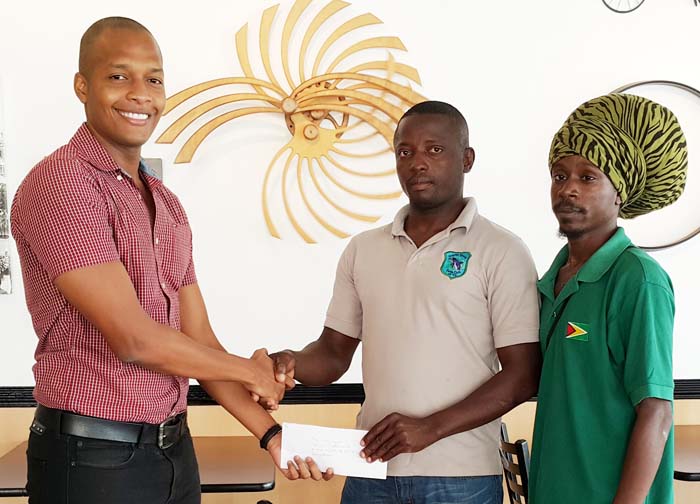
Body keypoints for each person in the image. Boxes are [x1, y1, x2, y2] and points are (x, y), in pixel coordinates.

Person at [10, 17, 329, 504]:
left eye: (153, 79)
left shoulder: (165, 202)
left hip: (173, 453)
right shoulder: (63, 184)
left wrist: (271, 435)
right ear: (82, 86)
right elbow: (136, 340)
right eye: (119, 76)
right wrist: (251, 371)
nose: (140, 94)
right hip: (92, 457)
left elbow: (197, 340)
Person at [270, 100, 542, 503]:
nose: (417, 162)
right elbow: (331, 355)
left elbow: (523, 374)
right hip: (370, 468)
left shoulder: (502, 250)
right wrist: (289, 361)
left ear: (466, 159)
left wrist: (429, 427)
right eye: (405, 151)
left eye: (435, 149)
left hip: (460, 478)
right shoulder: (363, 250)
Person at [528, 93, 688, 503]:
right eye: (560, 176)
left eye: (588, 177)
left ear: (620, 193)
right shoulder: (553, 280)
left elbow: (657, 412)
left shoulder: (638, 280)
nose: (569, 190)